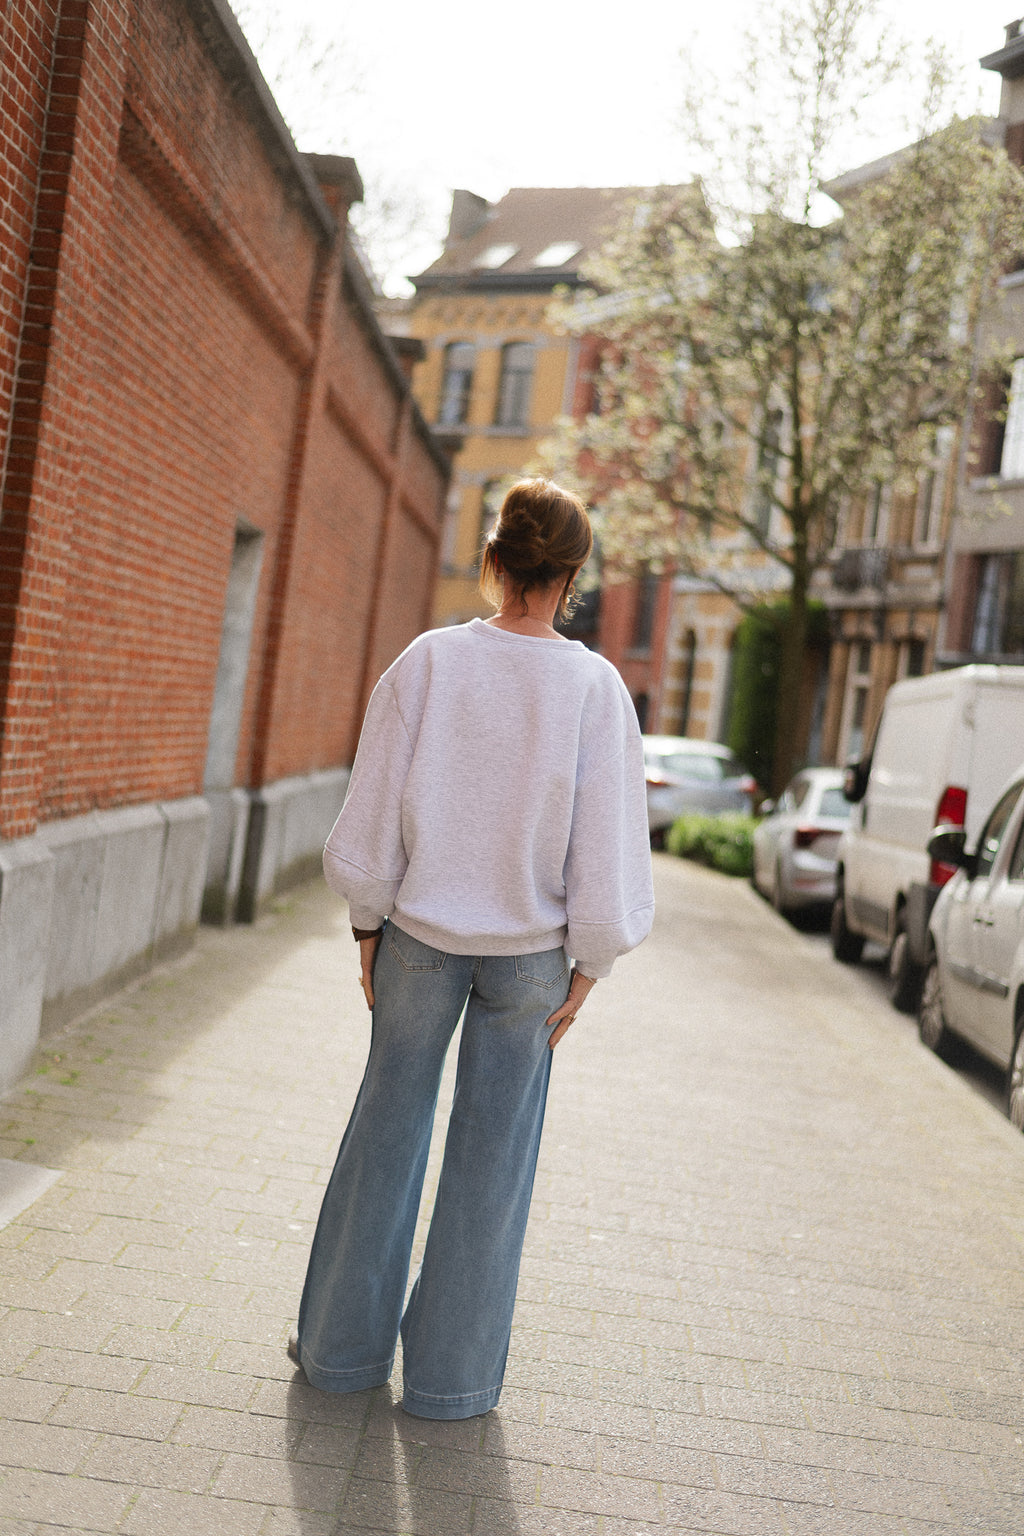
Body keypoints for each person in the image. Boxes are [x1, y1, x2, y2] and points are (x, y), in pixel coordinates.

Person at [290, 477, 654, 1420]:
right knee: (493, 1172)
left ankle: (338, 1356)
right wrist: (593, 963)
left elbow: (370, 817)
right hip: (533, 961)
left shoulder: (428, 663)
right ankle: (450, 1388)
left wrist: (367, 923)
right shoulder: (594, 687)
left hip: (417, 941)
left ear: (495, 556)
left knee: (384, 1139)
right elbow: (607, 842)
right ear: (572, 574)